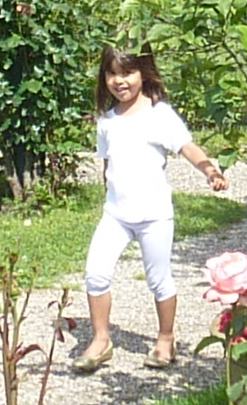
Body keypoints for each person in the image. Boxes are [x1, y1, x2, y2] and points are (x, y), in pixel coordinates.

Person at [79, 47, 228, 370]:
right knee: (95, 274)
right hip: (115, 215)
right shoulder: (107, 121)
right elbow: (109, 164)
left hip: (154, 216)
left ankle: (165, 338)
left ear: (143, 74)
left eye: (127, 73)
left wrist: (210, 170)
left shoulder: (159, 114)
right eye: (112, 74)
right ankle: (101, 339)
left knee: (158, 278)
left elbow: (187, 147)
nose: (120, 81)